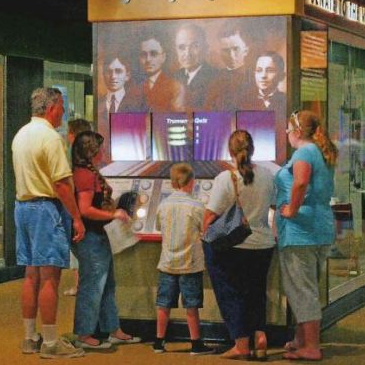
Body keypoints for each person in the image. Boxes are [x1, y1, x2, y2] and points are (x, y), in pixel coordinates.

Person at [12, 87, 86, 359]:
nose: (64, 113)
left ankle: (30, 336)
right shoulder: (50, 138)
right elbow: (60, 184)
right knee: (50, 277)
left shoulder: (21, 135)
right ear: (52, 106)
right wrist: (77, 217)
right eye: (62, 108)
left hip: (22, 207)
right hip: (46, 209)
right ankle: (52, 342)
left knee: (31, 274)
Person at [203, 130, 276, 360]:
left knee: (231, 292)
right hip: (263, 244)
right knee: (256, 292)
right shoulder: (267, 175)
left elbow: (209, 218)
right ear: (252, 150)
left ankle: (241, 344)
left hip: (234, 247)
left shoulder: (226, 179)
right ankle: (260, 336)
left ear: (230, 152)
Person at [275, 110, 338, 361]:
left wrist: (291, 209)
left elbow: (300, 182)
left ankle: (311, 346)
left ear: (298, 131)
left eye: (289, 130)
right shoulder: (319, 152)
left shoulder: (303, 152)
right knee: (306, 286)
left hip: (301, 231)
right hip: (319, 227)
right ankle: (302, 339)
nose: (287, 135)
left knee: (302, 289)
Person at [70, 130, 141, 349]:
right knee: (93, 285)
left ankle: (112, 329)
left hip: (96, 235)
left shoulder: (86, 173)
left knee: (106, 283)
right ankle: (84, 334)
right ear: (91, 151)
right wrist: (114, 214)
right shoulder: (85, 175)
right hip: (90, 236)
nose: (103, 150)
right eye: (100, 147)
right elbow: (85, 209)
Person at [153, 163, 215, 355]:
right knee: (192, 305)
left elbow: (158, 226)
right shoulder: (197, 206)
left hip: (167, 263)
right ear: (193, 182)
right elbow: (205, 230)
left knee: (164, 304)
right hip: (190, 263)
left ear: (172, 183)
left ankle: (159, 341)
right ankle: (196, 344)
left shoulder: (163, 205)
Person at [64, 118, 92, 297]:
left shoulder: (72, 156)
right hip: (87, 206)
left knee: (77, 246)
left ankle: (79, 285)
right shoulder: (92, 153)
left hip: (76, 206)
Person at [98, 54, 143, 159]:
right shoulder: (99, 104)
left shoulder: (137, 105)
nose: (113, 76)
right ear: (104, 74)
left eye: (118, 71)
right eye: (109, 71)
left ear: (127, 75)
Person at [206, 22, 252, 111]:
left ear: (246, 50)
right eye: (226, 51)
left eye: (236, 49)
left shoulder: (255, 78)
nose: (231, 55)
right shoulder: (215, 80)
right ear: (220, 52)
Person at [173, 23, 216, 112]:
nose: (187, 53)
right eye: (181, 47)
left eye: (195, 46)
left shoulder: (218, 78)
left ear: (206, 48)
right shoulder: (172, 78)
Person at [139, 33, 184, 113]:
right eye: (143, 55)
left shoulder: (175, 87)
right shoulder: (134, 87)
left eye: (154, 54)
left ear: (163, 57)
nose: (148, 59)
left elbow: (177, 120)